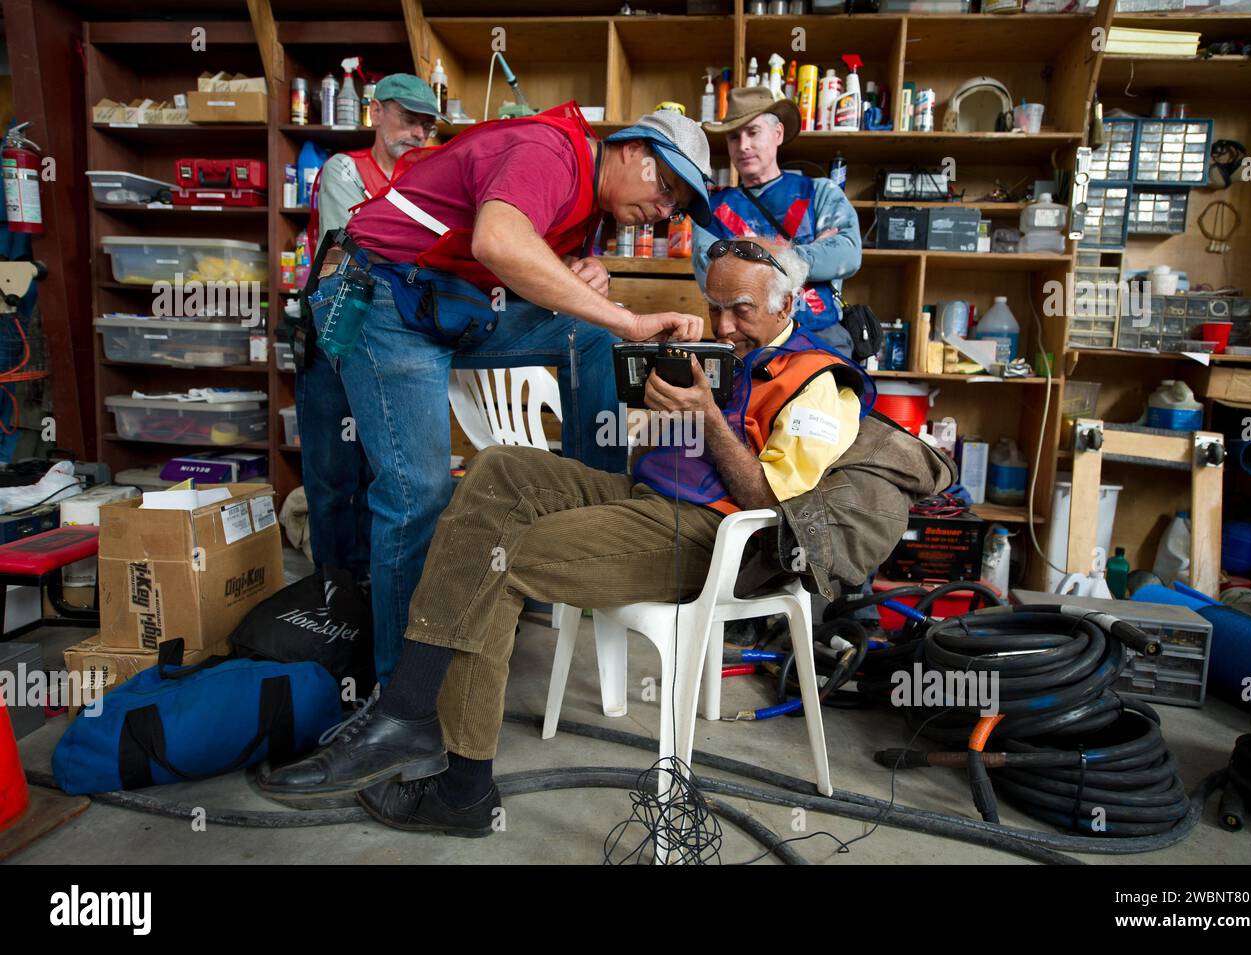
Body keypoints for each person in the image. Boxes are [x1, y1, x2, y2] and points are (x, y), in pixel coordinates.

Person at [259, 239, 890, 836]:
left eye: (742, 310)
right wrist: (658, 410)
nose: (724, 326)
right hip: (650, 500)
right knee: (498, 467)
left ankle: (456, 780)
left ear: (787, 304)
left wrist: (706, 420)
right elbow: (666, 457)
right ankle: (412, 713)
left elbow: (777, 503)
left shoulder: (820, 382)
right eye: (717, 307)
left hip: (718, 539)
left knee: (495, 564)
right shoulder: (729, 358)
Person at [309, 106, 714, 685]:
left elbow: (522, 254)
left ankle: (586, 517)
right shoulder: (550, 151)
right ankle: (401, 704)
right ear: (629, 150)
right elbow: (498, 240)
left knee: (590, 332)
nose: (665, 207)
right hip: (379, 296)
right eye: (666, 186)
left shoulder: (589, 204)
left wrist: (582, 272)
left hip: (446, 304)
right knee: (416, 495)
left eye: (676, 204)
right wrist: (625, 319)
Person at [291, 74, 441, 585]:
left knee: (389, 475)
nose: (418, 133)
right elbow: (355, 251)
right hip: (336, 339)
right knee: (333, 475)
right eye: (407, 119)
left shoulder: (429, 181)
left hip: (394, 341)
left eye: (426, 124)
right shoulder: (343, 171)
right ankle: (335, 589)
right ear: (375, 112)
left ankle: (378, 588)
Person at [692, 86, 862, 358]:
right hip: (748, 343)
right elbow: (710, 275)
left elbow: (847, 255)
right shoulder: (711, 207)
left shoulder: (821, 192)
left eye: (753, 132)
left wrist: (744, 261)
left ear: (778, 134)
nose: (743, 145)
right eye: (734, 137)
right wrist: (808, 255)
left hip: (819, 337)